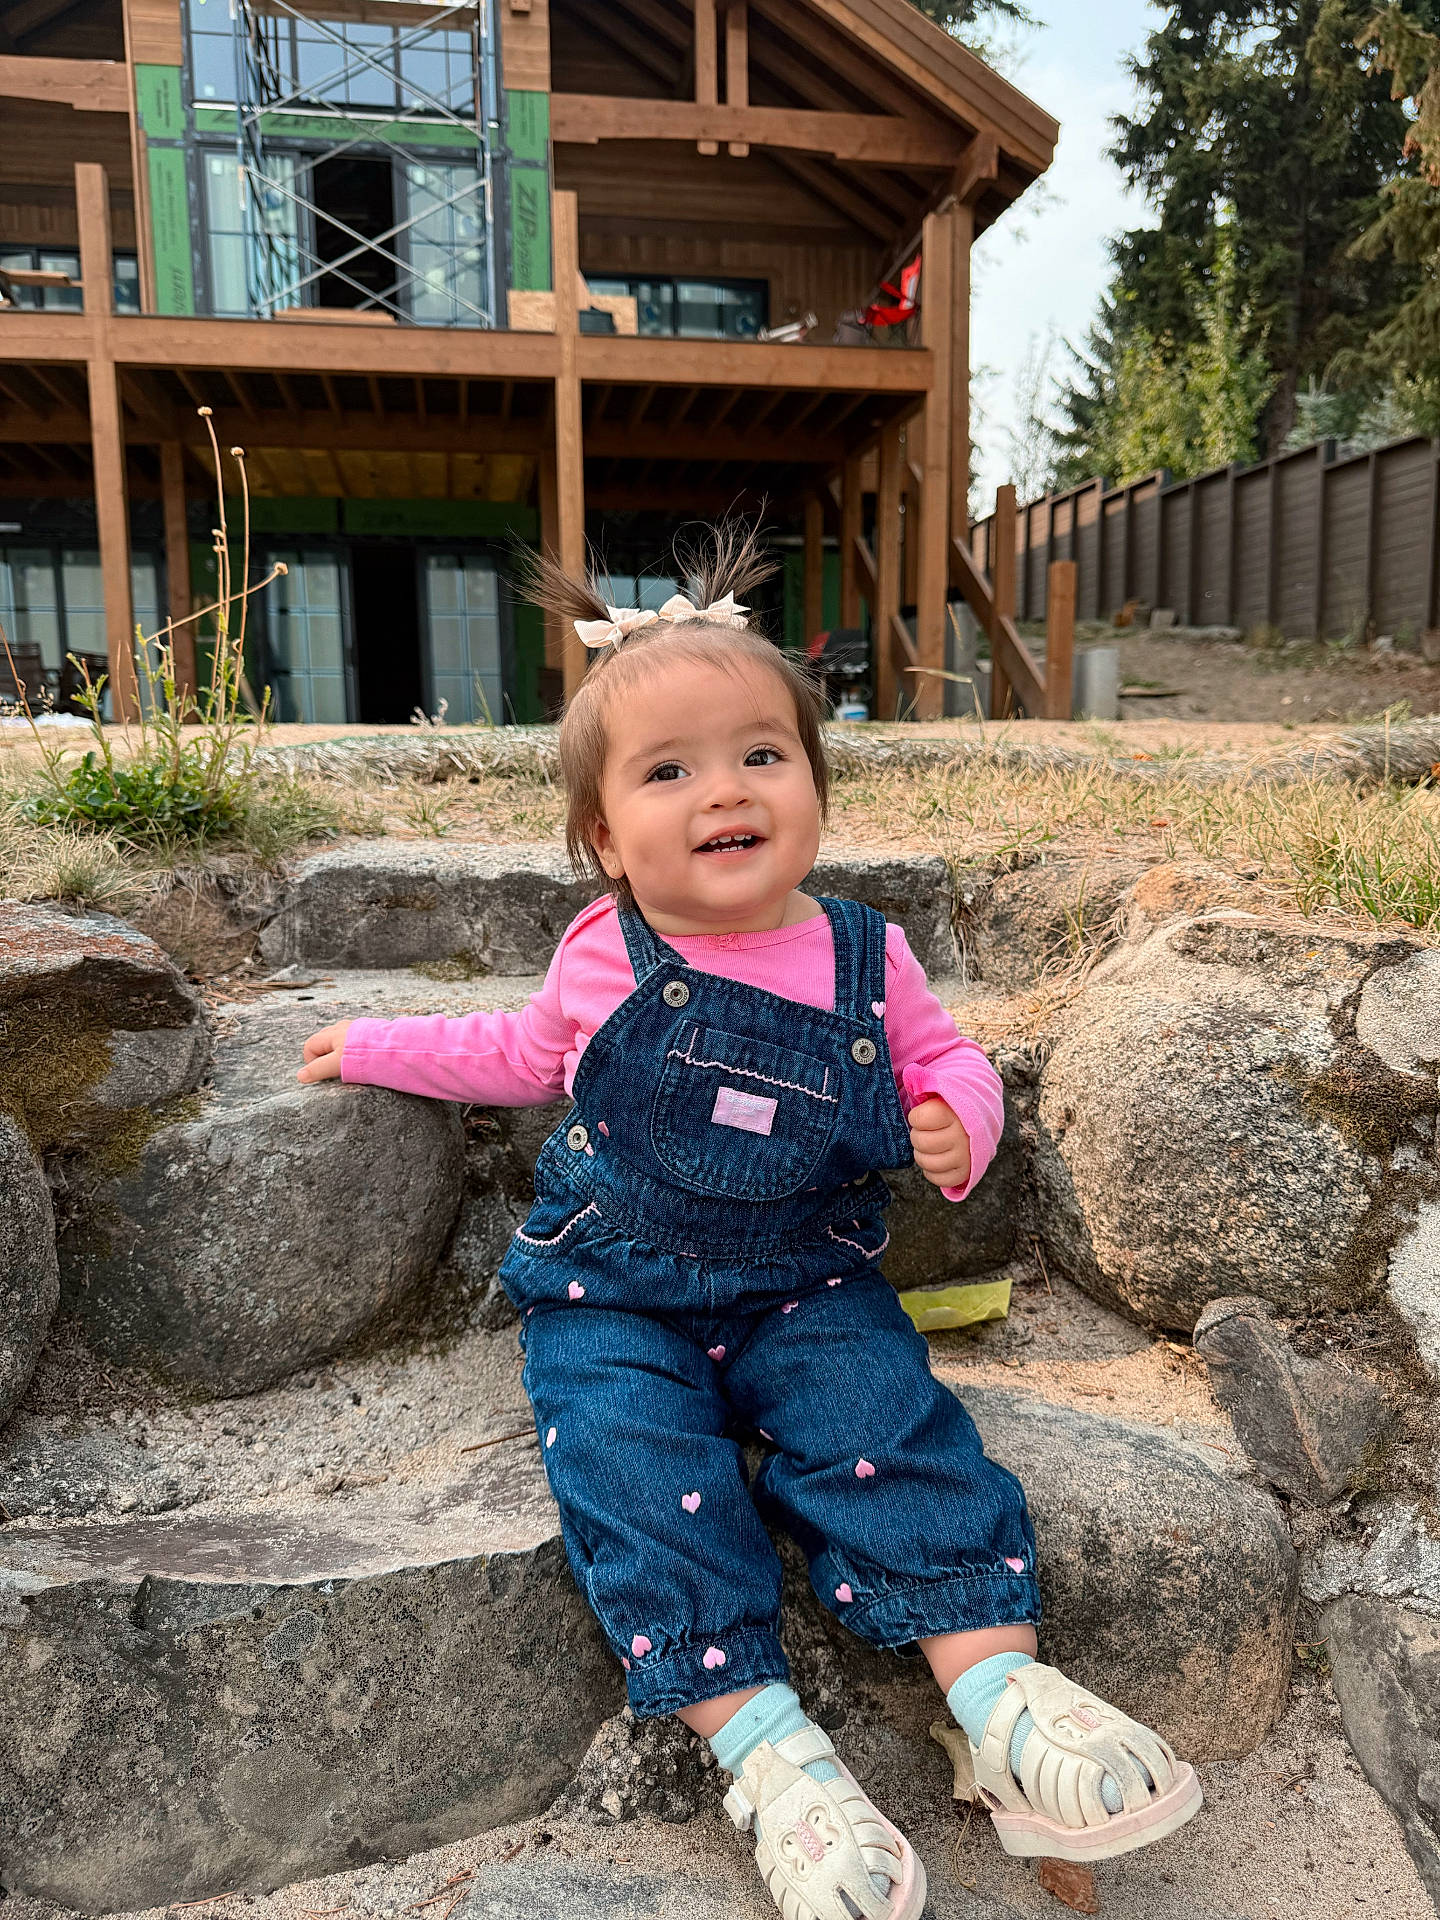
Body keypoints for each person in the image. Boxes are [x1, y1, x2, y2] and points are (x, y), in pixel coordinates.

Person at [297, 528, 1201, 1920]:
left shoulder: (864, 953)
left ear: (815, 789)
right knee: (627, 1461)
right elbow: (521, 1054)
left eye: (761, 755)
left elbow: (946, 1061)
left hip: (809, 1282)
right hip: (615, 1293)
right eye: (670, 771)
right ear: (605, 835)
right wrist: (378, 1046)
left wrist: (962, 1123)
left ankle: (1006, 1701)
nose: (724, 789)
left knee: (885, 1422)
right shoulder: (600, 953)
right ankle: (770, 1753)